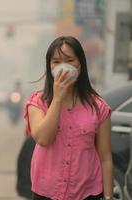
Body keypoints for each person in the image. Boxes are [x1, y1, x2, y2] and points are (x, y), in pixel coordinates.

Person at [24, 36, 113, 200]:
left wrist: (108, 197)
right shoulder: (38, 102)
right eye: (56, 62)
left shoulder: (98, 107)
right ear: (49, 66)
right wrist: (57, 98)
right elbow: (43, 139)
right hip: (46, 192)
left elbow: (105, 157)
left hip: (87, 193)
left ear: (80, 64)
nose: (62, 67)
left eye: (69, 60)